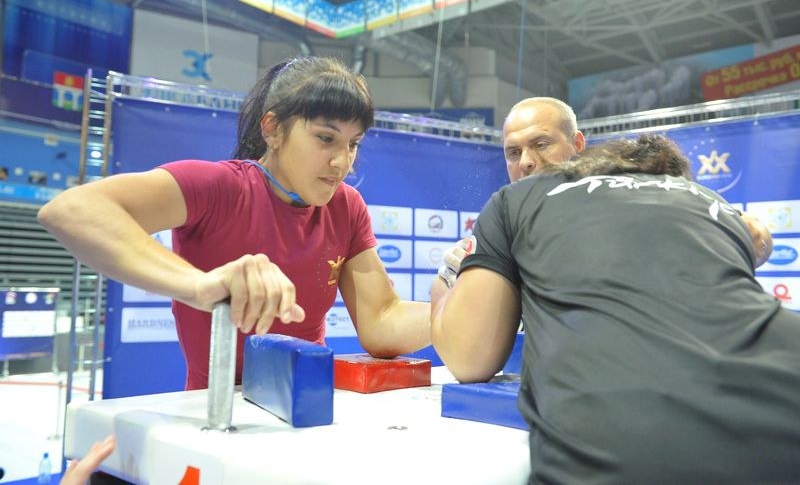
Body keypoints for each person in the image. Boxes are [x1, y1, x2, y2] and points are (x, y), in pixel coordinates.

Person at [38, 57, 430, 390]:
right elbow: (71, 210)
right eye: (325, 138)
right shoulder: (221, 187)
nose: (342, 162)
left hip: (307, 410)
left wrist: (456, 307)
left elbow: (381, 322)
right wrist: (199, 285)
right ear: (272, 130)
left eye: (353, 143)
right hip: (214, 414)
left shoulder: (347, 206)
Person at [431, 134, 800, 483]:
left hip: (621, 446)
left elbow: (469, 359)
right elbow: (758, 239)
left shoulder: (517, 198)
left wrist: (445, 285)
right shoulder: (710, 201)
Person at [438, 97, 771, 288]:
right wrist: (470, 276)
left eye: (541, 144)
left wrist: (747, 231)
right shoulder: (500, 226)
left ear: (577, 144)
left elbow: (755, 236)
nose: (525, 161)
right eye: (513, 152)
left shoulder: (615, 196)